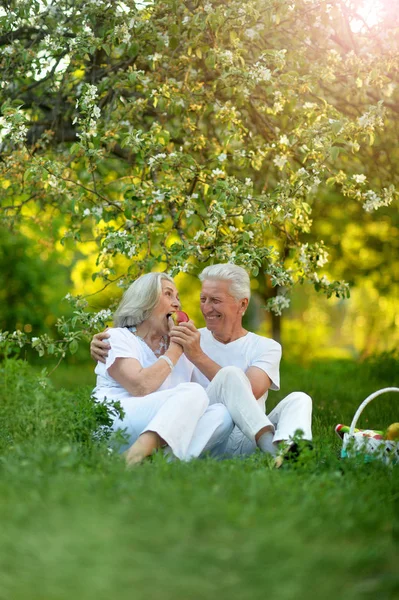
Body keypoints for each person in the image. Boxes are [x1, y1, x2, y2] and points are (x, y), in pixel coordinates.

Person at [92, 264, 312, 463]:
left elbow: (250, 391)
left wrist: (195, 354)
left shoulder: (265, 346)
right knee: (210, 392)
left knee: (298, 399)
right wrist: (99, 344)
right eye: (203, 299)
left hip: (240, 435)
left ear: (242, 305)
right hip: (202, 431)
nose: (206, 309)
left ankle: (292, 456)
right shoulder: (186, 339)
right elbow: (138, 351)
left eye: (215, 300)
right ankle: (272, 452)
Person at [93, 272, 233, 466]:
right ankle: (131, 459)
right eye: (168, 294)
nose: (176, 304)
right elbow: (140, 386)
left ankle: (155, 463)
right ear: (145, 300)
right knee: (193, 392)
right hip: (114, 419)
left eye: (177, 298)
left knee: (222, 415)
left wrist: (193, 352)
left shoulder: (184, 351)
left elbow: (208, 396)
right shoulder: (117, 337)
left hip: (155, 426)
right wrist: (176, 349)